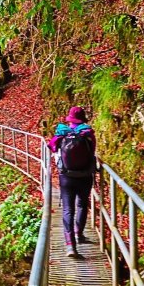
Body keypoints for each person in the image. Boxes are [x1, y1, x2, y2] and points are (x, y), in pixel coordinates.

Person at [47, 106, 97, 258]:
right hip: (85, 175)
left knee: (68, 209)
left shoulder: (62, 132)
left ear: (70, 119)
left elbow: (52, 147)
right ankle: (79, 233)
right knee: (82, 204)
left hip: (67, 177)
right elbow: (92, 151)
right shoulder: (87, 134)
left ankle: (70, 246)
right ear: (83, 119)